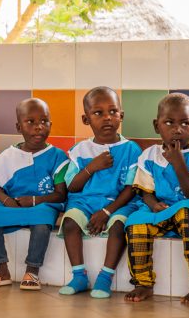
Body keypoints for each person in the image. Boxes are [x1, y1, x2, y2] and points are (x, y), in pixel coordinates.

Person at [123, 93, 189, 305]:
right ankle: (142, 282)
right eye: (169, 123)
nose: (177, 129)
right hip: (163, 210)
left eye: (185, 123)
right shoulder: (149, 155)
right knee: (136, 221)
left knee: (188, 210)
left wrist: (178, 162)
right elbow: (144, 189)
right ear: (157, 126)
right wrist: (153, 204)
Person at [57, 86, 141, 299]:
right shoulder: (80, 150)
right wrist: (91, 167)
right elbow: (72, 187)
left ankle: (105, 277)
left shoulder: (131, 149)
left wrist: (106, 211)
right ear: (86, 120)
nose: (107, 118)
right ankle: (79, 276)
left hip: (119, 203)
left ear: (121, 116)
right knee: (70, 223)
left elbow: (131, 189)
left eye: (113, 112)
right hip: (85, 202)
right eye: (98, 113)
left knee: (120, 226)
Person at [0, 98, 68, 291]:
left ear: (50, 125)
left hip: (42, 205)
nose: (38, 127)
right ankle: (1, 269)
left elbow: (60, 194)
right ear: (19, 127)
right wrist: (7, 200)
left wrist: (35, 200)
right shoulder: (8, 156)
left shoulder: (58, 156)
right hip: (13, 204)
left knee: (43, 218)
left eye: (44, 122)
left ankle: (32, 271)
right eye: (31, 122)